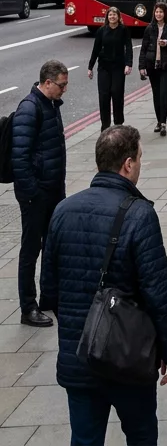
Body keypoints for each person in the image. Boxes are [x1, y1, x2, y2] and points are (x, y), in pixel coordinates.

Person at [40, 125, 167, 444]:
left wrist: (78, 325)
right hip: (129, 357)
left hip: (80, 355)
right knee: (142, 434)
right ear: (127, 164)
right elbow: (157, 292)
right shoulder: (140, 215)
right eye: (140, 158)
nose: (141, 165)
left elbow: (48, 289)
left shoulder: (63, 211)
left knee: (85, 438)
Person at [12, 60, 68, 327]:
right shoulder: (29, 109)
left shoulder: (51, 105)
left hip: (53, 190)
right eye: (61, 85)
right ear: (47, 83)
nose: (64, 90)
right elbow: (19, 159)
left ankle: (49, 297)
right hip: (36, 195)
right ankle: (27, 307)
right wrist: (33, 193)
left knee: (53, 246)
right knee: (31, 249)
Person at [87, 6, 134, 130]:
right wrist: (90, 67)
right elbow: (95, 49)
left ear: (118, 17)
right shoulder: (102, 31)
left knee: (117, 94)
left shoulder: (123, 30)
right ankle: (105, 126)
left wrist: (128, 64)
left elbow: (128, 48)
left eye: (114, 15)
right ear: (107, 17)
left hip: (118, 67)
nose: (112, 17)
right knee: (104, 96)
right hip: (104, 67)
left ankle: (118, 124)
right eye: (110, 15)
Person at [139, 2, 167, 137]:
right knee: (156, 95)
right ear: (154, 13)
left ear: (165, 13)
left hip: (166, 66)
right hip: (152, 65)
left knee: (163, 93)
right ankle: (158, 121)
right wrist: (141, 66)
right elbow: (143, 48)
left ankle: (163, 123)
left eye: (161, 12)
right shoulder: (149, 28)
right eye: (157, 12)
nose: (158, 14)